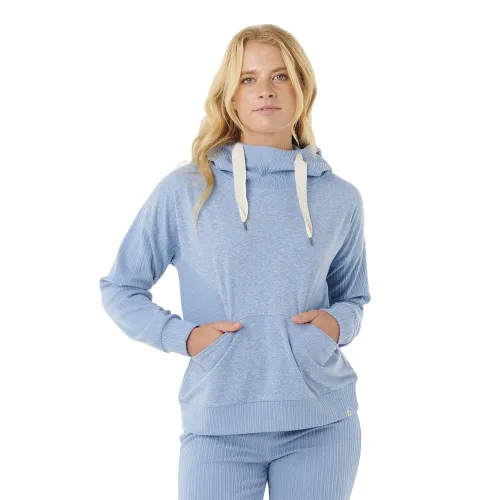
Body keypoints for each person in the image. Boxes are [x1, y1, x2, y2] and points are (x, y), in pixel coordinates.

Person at [99, 23, 371, 500]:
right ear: (229, 96)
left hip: (322, 421)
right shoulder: (187, 190)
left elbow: (354, 297)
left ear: (303, 88)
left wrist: (333, 326)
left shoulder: (339, 197)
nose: (265, 90)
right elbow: (121, 288)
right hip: (217, 423)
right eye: (248, 79)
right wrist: (184, 338)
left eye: (280, 76)